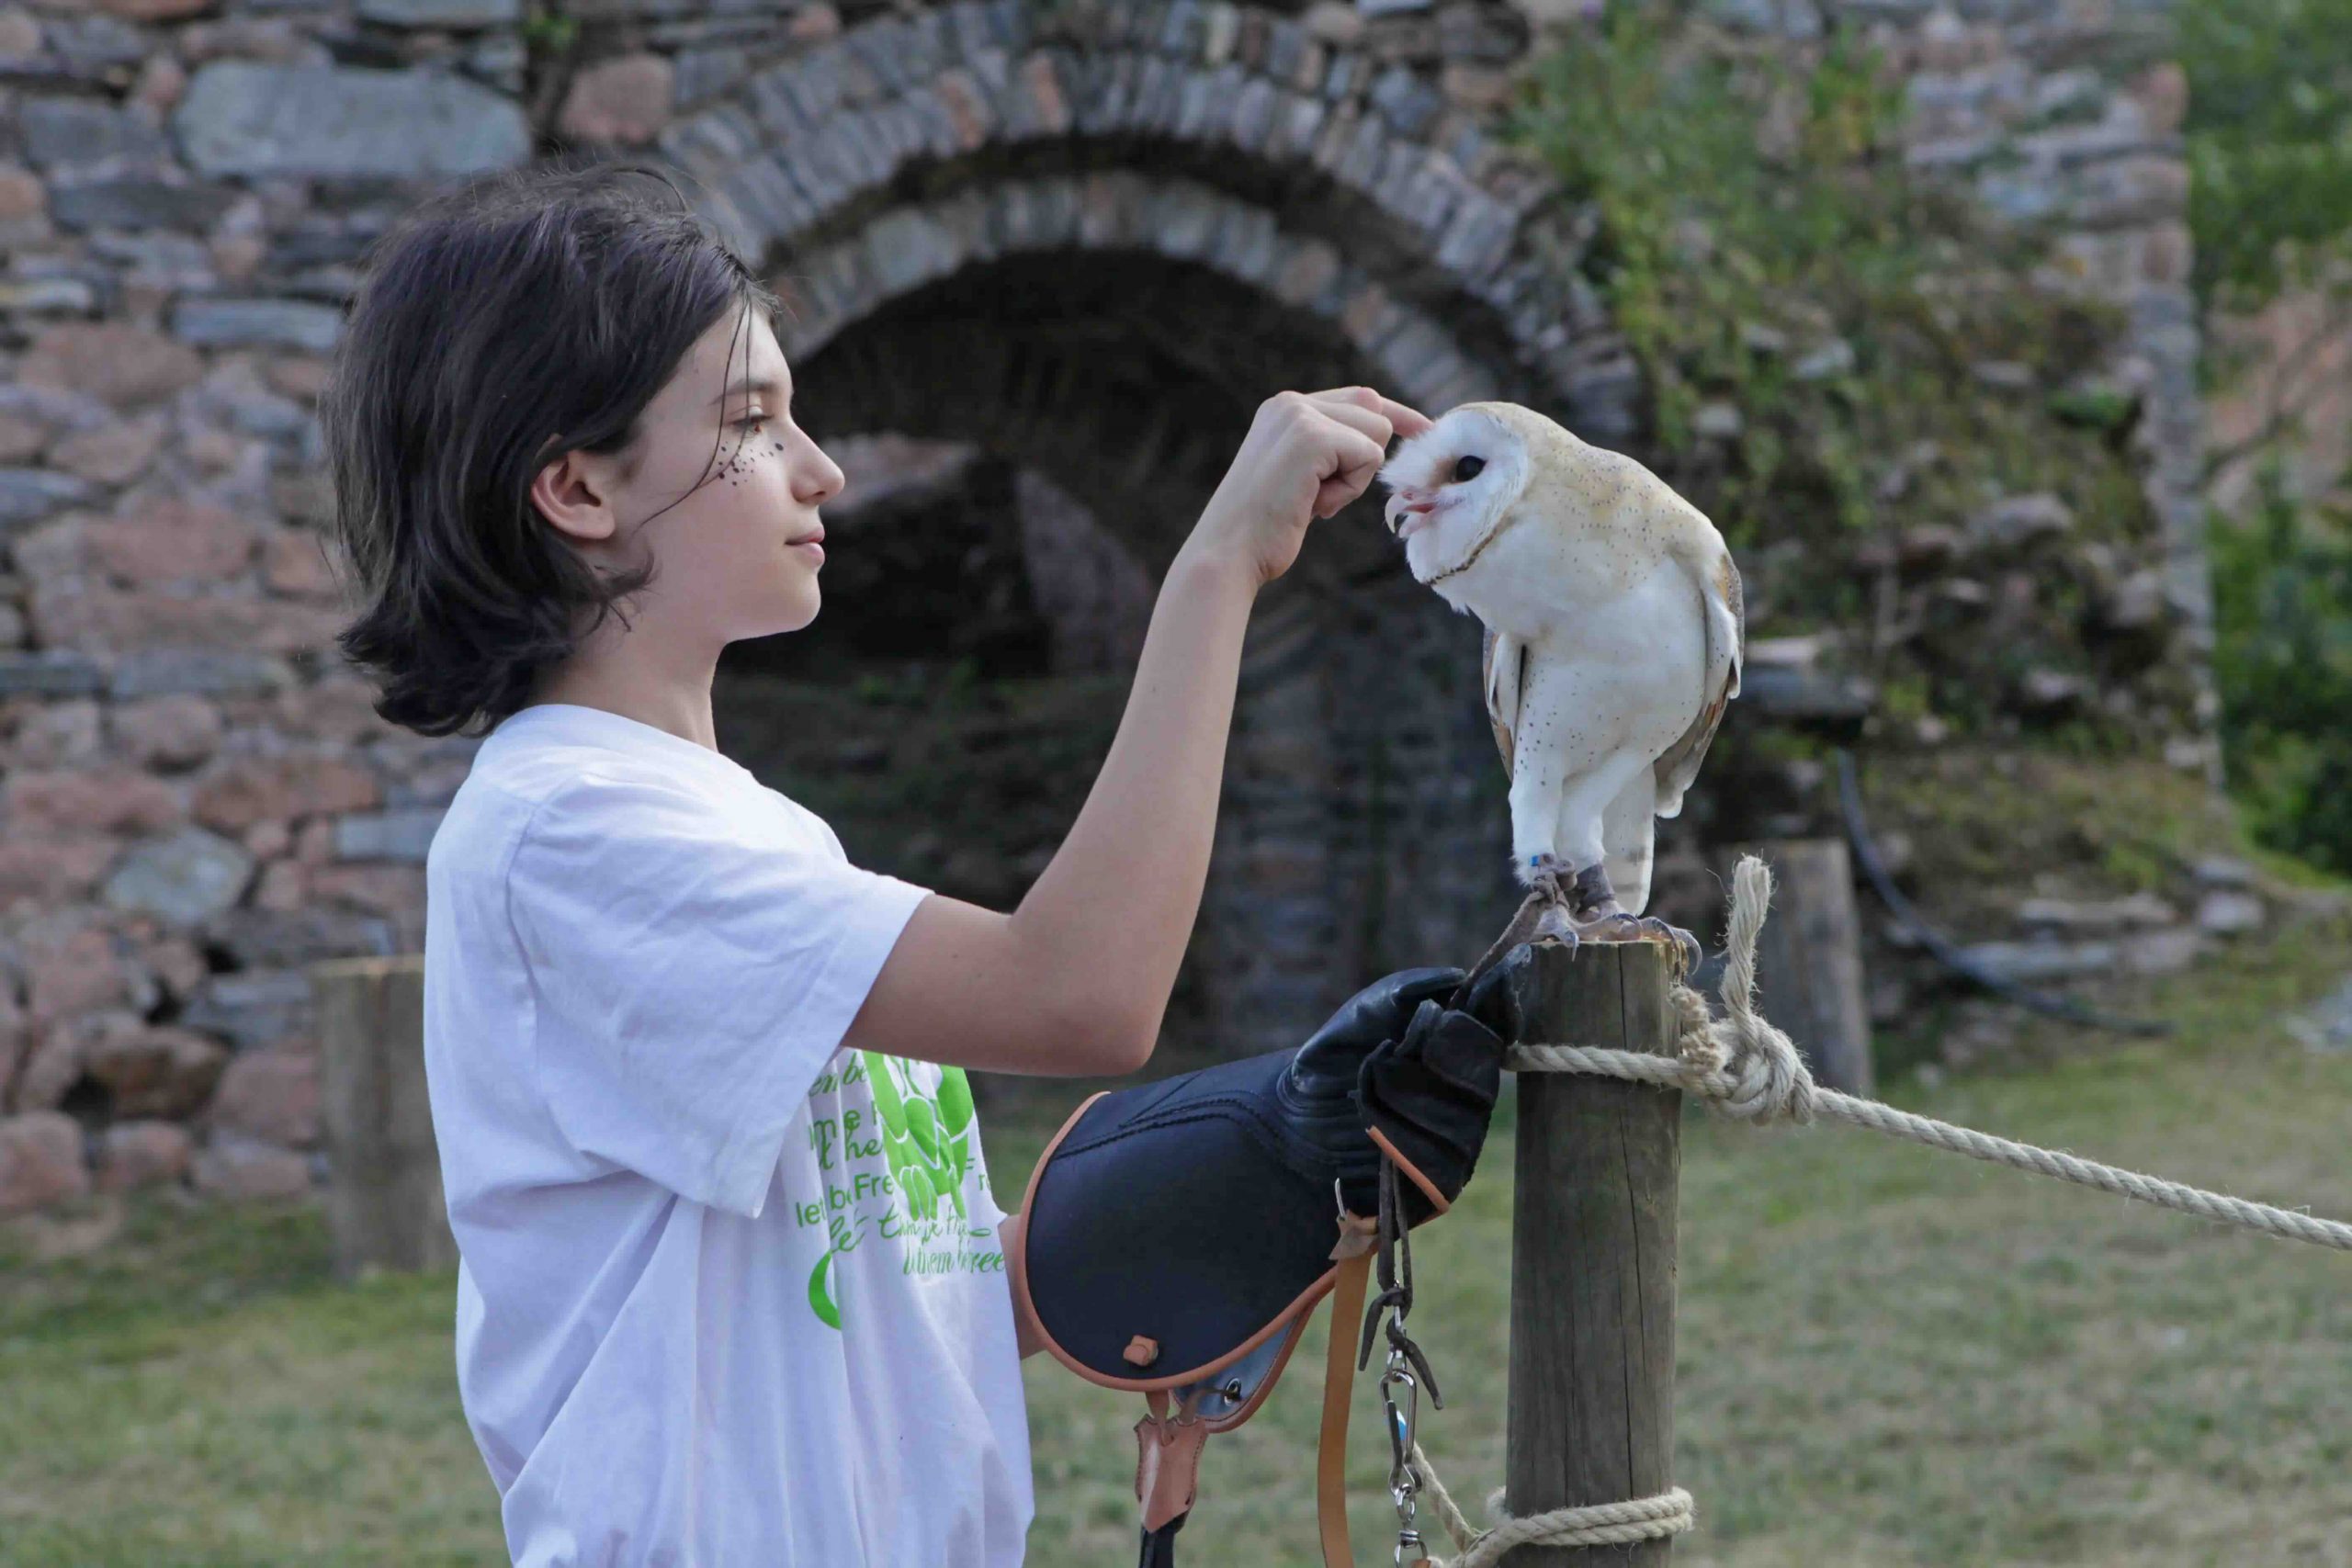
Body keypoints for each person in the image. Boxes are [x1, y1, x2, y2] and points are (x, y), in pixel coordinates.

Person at [315, 156, 1434, 1567]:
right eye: (751, 418)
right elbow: (1081, 994)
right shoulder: (568, 834)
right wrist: (1217, 572)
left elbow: (916, 1282)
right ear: (577, 488)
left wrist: (1285, 1154)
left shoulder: (745, 831)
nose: (822, 466)